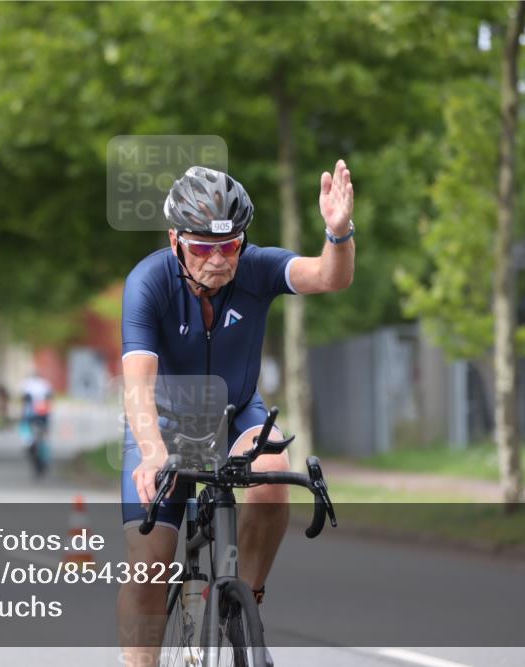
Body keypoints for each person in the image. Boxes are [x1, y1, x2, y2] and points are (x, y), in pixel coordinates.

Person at [118, 162, 355, 663]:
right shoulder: (149, 282)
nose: (220, 260)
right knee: (147, 572)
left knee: (271, 470)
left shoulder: (258, 267)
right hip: (163, 423)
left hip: (237, 411)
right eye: (204, 247)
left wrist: (338, 234)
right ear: (175, 238)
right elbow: (137, 382)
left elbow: (328, 277)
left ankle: (244, 600)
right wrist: (152, 453)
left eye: (230, 245)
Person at [19, 372, 53, 475]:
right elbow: (50, 397)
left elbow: (24, 398)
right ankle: (45, 457)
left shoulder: (26, 384)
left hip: (30, 413)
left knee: (24, 425)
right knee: (45, 435)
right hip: (43, 413)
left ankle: (27, 441)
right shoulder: (45, 384)